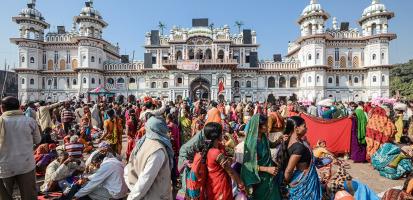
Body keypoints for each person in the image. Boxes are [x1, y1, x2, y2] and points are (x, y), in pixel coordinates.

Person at [188, 122, 245, 200]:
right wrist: (240, 183)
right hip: (220, 187)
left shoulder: (205, 149)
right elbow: (230, 171)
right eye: (221, 133)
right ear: (217, 135)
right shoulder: (215, 152)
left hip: (211, 186)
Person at [0, 96, 41, 200]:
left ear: (2, 108)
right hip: (26, 165)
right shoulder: (30, 121)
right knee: (29, 196)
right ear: (19, 107)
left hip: (4, 167)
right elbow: (38, 140)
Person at [125, 116, 174, 200]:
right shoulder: (157, 150)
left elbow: (128, 168)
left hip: (141, 190)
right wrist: (132, 197)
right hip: (154, 195)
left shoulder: (143, 141)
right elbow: (146, 179)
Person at [279, 116, 322, 200]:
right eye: (304, 126)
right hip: (304, 181)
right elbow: (289, 170)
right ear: (296, 128)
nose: (306, 128)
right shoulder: (299, 147)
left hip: (301, 177)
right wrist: (286, 184)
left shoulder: (292, 141)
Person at [241, 114, 282, 200]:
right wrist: (267, 169)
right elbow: (248, 166)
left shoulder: (263, 136)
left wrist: (279, 140)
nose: (268, 126)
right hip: (259, 178)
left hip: (269, 175)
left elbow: (269, 145)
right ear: (258, 127)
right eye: (265, 125)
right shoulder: (252, 143)